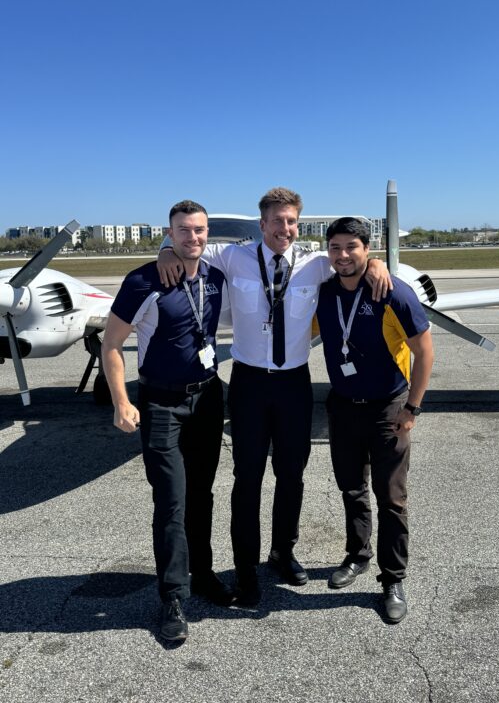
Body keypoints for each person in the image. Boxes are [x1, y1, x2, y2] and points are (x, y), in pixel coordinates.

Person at [158, 188, 391, 606]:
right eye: (277, 221)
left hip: (294, 385)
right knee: (247, 479)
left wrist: (376, 263)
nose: (285, 228)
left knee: (291, 475)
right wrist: (164, 253)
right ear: (262, 223)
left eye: (291, 221)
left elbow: (352, 260)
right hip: (249, 383)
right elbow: (187, 243)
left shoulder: (316, 263)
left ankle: (283, 552)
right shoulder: (232, 257)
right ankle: (245, 568)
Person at [102, 200, 231, 644]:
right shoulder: (143, 281)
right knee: (171, 500)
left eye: (199, 230)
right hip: (161, 404)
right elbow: (111, 345)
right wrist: (121, 401)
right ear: (169, 234)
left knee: (202, 494)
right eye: (183, 230)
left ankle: (203, 573)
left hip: (208, 398)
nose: (192, 237)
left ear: (207, 233)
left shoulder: (215, 277)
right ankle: (173, 596)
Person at [316, 217, 433, 624]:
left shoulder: (392, 292)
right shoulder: (324, 293)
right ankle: (357, 555)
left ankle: (393, 579)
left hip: (388, 409)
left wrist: (412, 408)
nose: (343, 255)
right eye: (335, 247)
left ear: (368, 249)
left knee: (391, 498)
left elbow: (425, 351)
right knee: (351, 488)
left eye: (352, 246)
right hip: (343, 406)